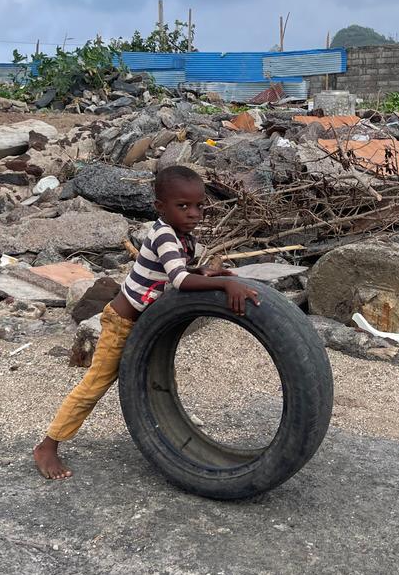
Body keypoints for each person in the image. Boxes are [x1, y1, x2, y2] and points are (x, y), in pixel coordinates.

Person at [33, 165, 261, 480]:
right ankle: (48, 444)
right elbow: (179, 280)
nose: (194, 213)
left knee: (157, 376)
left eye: (199, 206)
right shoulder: (166, 234)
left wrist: (205, 272)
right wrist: (224, 285)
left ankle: (167, 432)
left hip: (148, 323)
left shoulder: (184, 236)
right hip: (122, 323)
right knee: (96, 384)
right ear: (159, 208)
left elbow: (174, 274)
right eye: (183, 206)